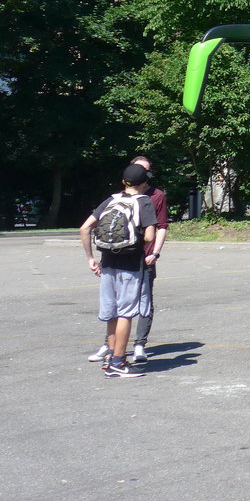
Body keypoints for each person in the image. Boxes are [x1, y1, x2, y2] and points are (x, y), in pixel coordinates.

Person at [86, 154, 168, 364]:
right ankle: (118, 361)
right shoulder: (145, 201)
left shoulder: (111, 200)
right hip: (132, 265)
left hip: (107, 264)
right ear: (144, 182)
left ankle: (110, 356)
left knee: (111, 313)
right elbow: (150, 235)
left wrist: (90, 258)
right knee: (126, 313)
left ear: (124, 181)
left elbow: (85, 228)